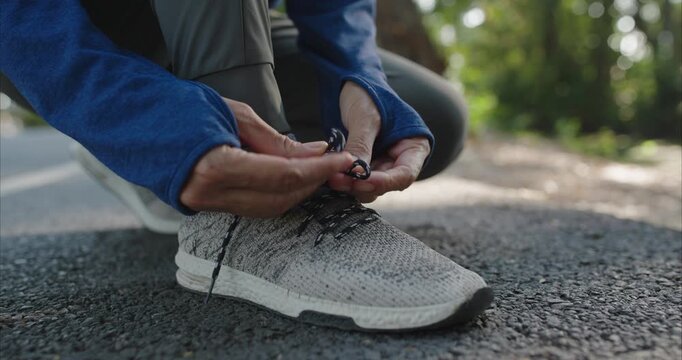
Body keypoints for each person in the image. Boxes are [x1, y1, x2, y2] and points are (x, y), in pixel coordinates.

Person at [1, 0, 492, 331]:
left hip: (211, 20)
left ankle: (142, 155)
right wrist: (139, 113)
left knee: (435, 118)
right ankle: (244, 225)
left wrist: (355, 69)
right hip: (44, 27)